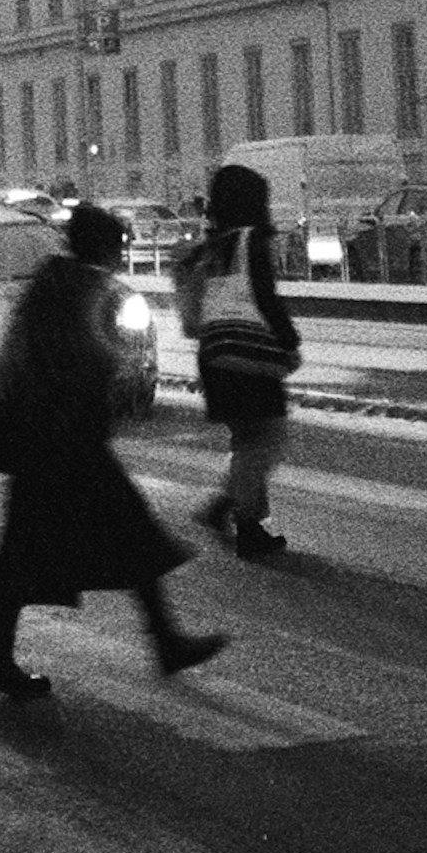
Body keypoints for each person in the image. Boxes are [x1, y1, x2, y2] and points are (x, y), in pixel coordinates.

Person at [0, 202, 227, 702]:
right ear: (105, 249)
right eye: (119, 249)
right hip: (63, 445)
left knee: (47, 552)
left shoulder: (53, 285)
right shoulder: (82, 290)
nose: (120, 259)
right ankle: (162, 642)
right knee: (124, 535)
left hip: (48, 444)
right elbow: (83, 366)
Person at [176, 162, 302, 559]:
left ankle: (242, 519)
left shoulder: (211, 247)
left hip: (213, 356)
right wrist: (289, 340)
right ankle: (237, 519)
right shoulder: (253, 240)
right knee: (268, 439)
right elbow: (266, 297)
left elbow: (193, 313)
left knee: (248, 440)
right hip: (246, 355)